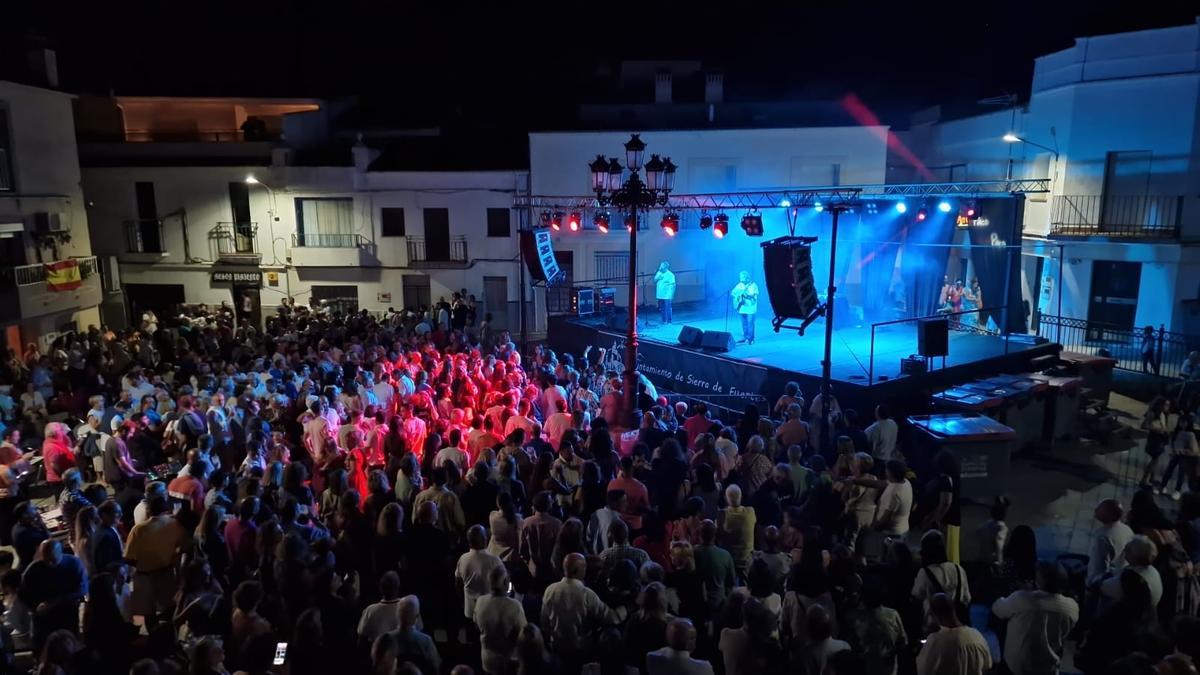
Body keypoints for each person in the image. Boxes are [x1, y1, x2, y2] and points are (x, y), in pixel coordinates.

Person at [991, 561, 1079, 675]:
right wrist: (1033, 593)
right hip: (1048, 668)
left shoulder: (1022, 598)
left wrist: (1022, 593)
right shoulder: (1072, 607)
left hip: (1017, 668)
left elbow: (997, 609)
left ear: (1040, 581)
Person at [541, 552, 616, 667]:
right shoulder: (587, 594)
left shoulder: (550, 590)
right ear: (580, 570)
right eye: (584, 567)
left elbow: (544, 622)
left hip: (557, 649)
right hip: (582, 651)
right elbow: (609, 617)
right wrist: (626, 609)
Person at [915, 593, 990, 675]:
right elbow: (987, 665)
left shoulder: (935, 641)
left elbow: (923, 670)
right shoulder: (977, 636)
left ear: (933, 615)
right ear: (953, 609)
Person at [474, 565, 526, 675]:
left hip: (487, 661)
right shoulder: (514, 606)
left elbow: (477, 625)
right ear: (506, 582)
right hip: (508, 662)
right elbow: (523, 635)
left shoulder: (480, 601)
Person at [1159, 413, 1198, 500]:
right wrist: (1173, 450)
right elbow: (1173, 442)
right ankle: (1163, 486)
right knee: (1169, 470)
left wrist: (1182, 451)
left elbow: (1194, 450)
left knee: (1181, 474)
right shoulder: (1177, 432)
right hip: (1176, 454)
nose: (1182, 424)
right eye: (1181, 422)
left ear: (1188, 423)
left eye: (1184, 422)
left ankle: (1177, 491)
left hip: (1184, 457)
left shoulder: (1190, 434)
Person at [730, 271, 759, 345]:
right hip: (741, 308)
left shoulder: (753, 285)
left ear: (747, 277)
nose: (740, 278)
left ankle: (751, 339)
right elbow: (732, 293)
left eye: (742, 277)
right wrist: (738, 296)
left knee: (750, 323)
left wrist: (747, 296)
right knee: (744, 324)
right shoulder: (739, 285)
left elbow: (755, 298)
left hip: (750, 308)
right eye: (740, 277)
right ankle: (746, 337)